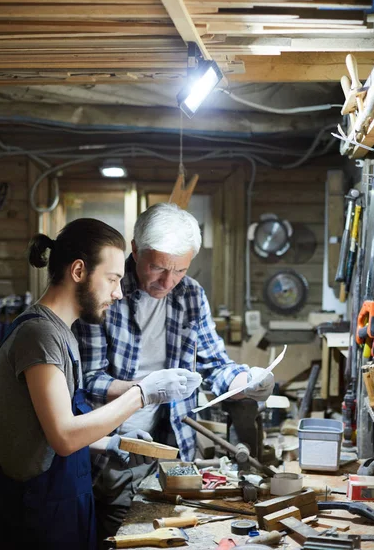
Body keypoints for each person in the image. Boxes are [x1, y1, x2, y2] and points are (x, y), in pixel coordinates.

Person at [0, 217, 201, 550]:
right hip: (36, 511)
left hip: (65, 500)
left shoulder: (62, 334)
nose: (118, 293)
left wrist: (112, 443)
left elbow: (47, 426)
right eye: (113, 279)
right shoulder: (39, 335)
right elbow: (63, 436)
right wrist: (142, 393)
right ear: (78, 271)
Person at [73, 204, 275, 543]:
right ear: (135, 250)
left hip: (173, 448)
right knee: (119, 535)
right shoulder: (105, 290)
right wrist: (146, 389)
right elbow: (90, 381)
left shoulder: (191, 294)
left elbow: (214, 366)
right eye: (158, 268)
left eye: (179, 269)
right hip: (111, 450)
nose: (168, 282)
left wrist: (248, 381)